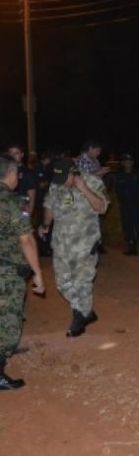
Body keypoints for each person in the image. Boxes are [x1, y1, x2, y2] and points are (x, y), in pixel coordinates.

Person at [40, 158, 108, 337]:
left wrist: (83, 188)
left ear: (73, 173)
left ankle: (79, 318)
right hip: (61, 243)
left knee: (82, 282)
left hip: (85, 244)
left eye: (65, 179)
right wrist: (46, 224)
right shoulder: (57, 185)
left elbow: (102, 208)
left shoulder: (94, 182)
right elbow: (49, 205)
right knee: (62, 284)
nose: (61, 184)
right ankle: (86, 311)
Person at [0, 155, 45, 390]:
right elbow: (26, 239)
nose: (18, 177)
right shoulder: (11, 202)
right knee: (8, 320)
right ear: (9, 174)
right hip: (6, 271)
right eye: (16, 173)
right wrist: (37, 272)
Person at [114, 154, 139, 257]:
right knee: (127, 225)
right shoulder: (119, 175)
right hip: (124, 204)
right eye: (126, 161)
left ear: (132, 163)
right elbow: (117, 190)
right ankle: (131, 246)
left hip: (136, 203)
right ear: (123, 163)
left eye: (130, 161)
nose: (128, 163)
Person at [6, 143, 36, 217]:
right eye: (10, 153)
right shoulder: (4, 170)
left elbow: (32, 197)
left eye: (16, 153)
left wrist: (28, 216)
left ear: (22, 155)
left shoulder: (28, 172)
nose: (12, 156)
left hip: (20, 211)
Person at [33, 151, 53, 256]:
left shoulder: (46, 169)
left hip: (45, 201)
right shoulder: (38, 168)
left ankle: (45, 247)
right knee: (41, 226)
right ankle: (41, 249)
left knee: (46, 226)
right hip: (39, 202)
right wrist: (49, 183)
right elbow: (40, 185)